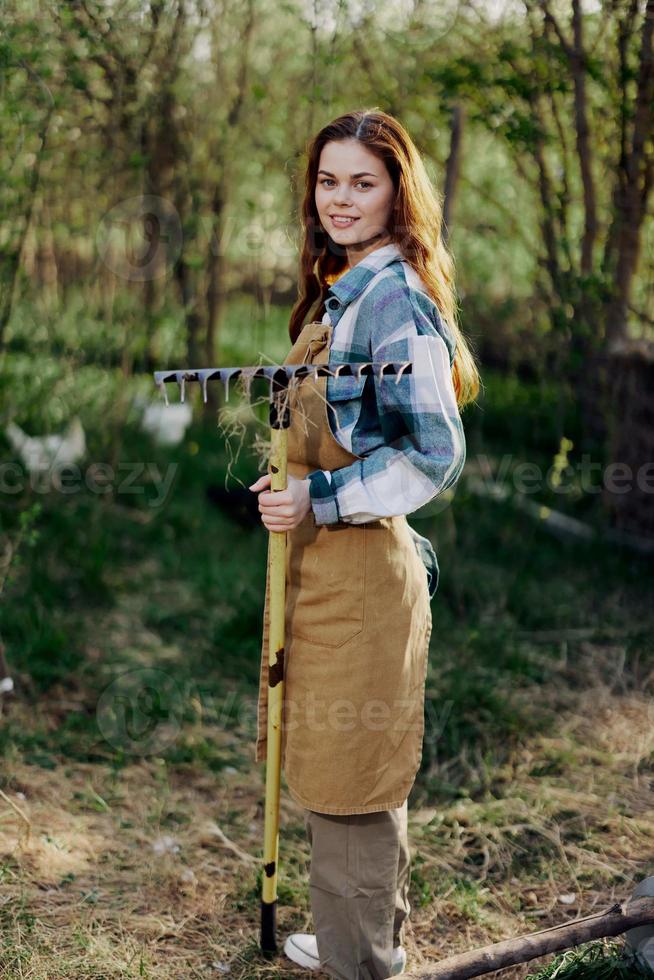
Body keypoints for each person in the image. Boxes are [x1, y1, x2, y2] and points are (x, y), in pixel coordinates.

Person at [249, 108, 480, 980]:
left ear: (397, 192)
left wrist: (323, 495)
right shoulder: (346, 290)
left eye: (363, 182)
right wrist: (287, 485)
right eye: (327, 181)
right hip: (324, 568)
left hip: (365, 575)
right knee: (336, 757)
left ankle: (363, 965)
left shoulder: (397, 303)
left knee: (354, 778)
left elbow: (435, 455)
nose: (340, 199)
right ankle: (363, 940)